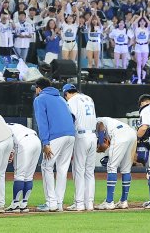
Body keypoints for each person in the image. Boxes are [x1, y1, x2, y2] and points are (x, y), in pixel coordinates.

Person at [32, 77, 75, 212]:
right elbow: (72, 117)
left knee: (46, 166)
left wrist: (45, 142)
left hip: (56, 136)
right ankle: (59, 203)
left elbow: (42, 122)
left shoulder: (40, 99)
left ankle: (51, 202)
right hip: (70, 135)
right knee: (62, 169)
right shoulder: (61, 99)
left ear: (39, 88)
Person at [62, 83, 97, 212]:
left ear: (66, 94)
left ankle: (79, 203)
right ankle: (90, 203)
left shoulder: (72, 100)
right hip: (93, 136)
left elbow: (71, 118)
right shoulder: (89, 98)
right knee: (89, 172)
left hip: (81, 136)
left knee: (79, 170)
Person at [95, 116, 137, 210]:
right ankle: (123, 201)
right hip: (131, 133)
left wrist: (101, 143)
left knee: (111, 167)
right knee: (126, 169)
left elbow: (100, 125)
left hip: (120, 134)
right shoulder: (109, 121)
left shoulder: (96, 120)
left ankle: (109, 202)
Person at [4, 122, 41, 213]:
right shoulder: (14, 125)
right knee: (29, 176)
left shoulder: (2, 128)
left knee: (19, 175)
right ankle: (24, 204)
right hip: (36, 140)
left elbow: (7, 143)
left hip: (24, 142)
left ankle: (15, 204)